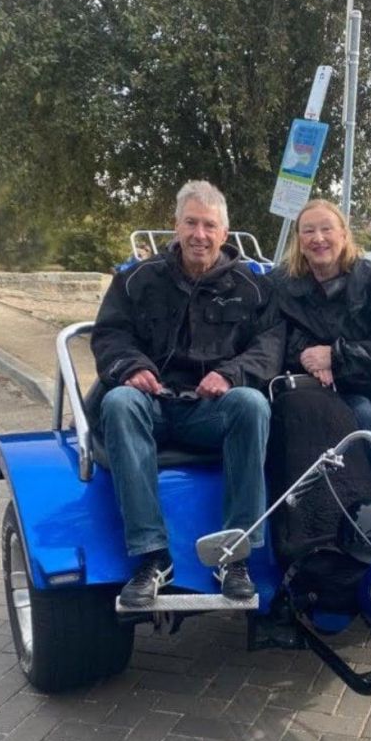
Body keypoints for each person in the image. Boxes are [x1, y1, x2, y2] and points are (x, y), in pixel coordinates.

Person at [91, 181, 285, 606]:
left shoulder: (252, 289)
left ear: (224, 232)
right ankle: (151, 557)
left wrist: (231, 374)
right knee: (118, 402)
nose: (200, 234)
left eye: (209, 225)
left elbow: (270, 346)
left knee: (252, 404)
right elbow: (109, 336)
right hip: (151, 404)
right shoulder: (135, 279)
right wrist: (132, 367)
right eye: (191, 223)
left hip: (209, 410)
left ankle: (235, 555)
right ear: (176, 226)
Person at [271, 198, 371, 524]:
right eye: (308, 231)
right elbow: (280, 335)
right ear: (299, 240)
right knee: (364, 417)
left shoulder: (370, 277)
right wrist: (313, 358)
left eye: (326, 229)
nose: (318, 238)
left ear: (343, 234)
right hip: (339, 384)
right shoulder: (284, 285)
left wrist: (336, 355)